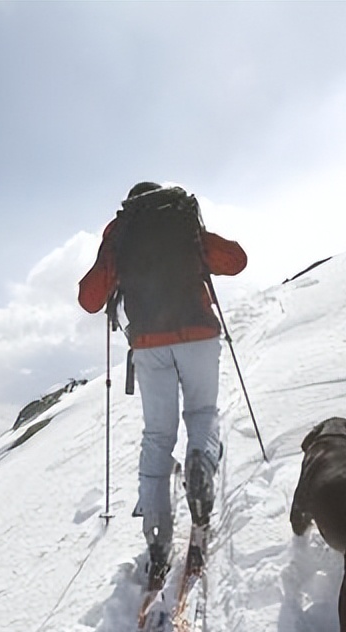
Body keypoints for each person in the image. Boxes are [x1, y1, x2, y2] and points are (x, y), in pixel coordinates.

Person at [78, 181, 247, 578]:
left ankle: (155, 528)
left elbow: (89, 299)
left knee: (157, 434)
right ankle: (200, 466)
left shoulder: (121, 236)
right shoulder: (181, 223)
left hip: (150, 343)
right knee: (202, 413)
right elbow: (236, 261)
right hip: (199, 335)